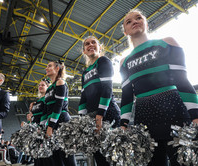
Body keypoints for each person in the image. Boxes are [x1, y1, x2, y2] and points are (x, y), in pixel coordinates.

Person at [120, 9, 198, 166]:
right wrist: (123, 124)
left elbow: (182, 80)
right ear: (126, 32)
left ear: (146, 23)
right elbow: (127, 95)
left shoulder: (167, 43)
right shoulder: (124, 61)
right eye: (129, 22)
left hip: (174, 111)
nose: (134, 21)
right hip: (144, 118)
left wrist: (196, 115)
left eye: (138, 18)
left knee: (183, 162)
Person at [78, 36, 121, 166]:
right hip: (91, 118)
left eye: (93, 42)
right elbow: (83, 97)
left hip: (108, 114)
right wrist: (82, 121)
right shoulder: (85, 72)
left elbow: (107, 89)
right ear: (84, 51)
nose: (90, 45)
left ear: (100, 47)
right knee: (100, 159)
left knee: (112, 159)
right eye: (87, 44)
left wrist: (99, 116)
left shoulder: (103, 61)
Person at [44, 60, 76, 166]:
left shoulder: (60, 82)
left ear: (57, 68)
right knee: (56, 157)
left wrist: (51, 126)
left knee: (67, 155)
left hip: (61, 119)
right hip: (52, 120)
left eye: (49, 66)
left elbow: (58, 106)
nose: (46, 68)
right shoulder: (49, 88)